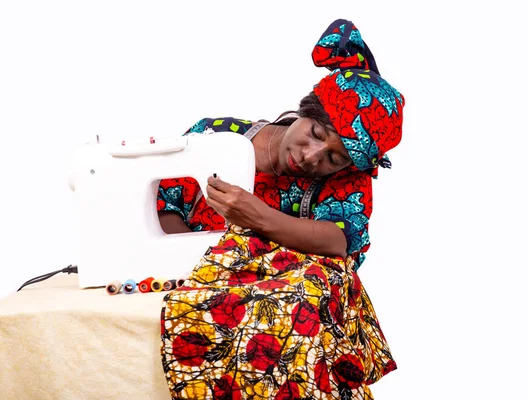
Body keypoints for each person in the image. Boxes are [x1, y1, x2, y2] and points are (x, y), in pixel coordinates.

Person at [158, 18, 404, 400]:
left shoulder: (347, 182)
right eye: (316, 135)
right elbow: (167, 198)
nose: (311, 157)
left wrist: (254, 216)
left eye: (334, 159)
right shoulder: (215, 135)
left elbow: (337, 241)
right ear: (307, 110)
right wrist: (172, 259)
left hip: (279, 285)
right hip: (191, 272)